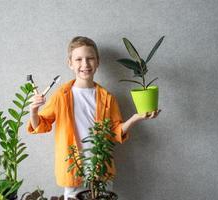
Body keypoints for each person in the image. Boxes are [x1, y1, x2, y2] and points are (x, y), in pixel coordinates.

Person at [27, 36, 161, 199]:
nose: (85, 64)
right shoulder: (61, 95)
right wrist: (34, 110)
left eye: (90, 58)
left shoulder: (107, 97)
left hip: (101, 168)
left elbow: (114, 132)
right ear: (70, 63)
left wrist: (135, 118)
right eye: (78, 59)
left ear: (97, 62)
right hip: (72, 168)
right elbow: (41, 125)